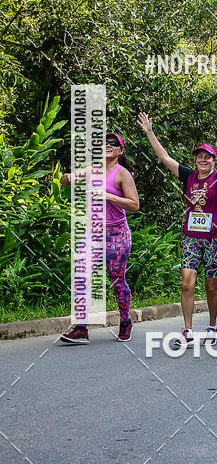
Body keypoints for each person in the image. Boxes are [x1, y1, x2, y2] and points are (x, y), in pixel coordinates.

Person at [137, 112, 217, 346]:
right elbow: (165, 158)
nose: (203, 160)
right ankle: (187, 330)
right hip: (191, 238)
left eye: (208, 157)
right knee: (186, 283)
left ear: (214, 161)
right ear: (196, 159)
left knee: (210, 285)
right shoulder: (188, 176)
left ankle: (213, 325)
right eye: (200, 157)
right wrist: (149, 132)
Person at [59, 132, 139, 344]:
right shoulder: (92, 171)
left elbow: (134, 205)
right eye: (105, 142)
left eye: (113, 143)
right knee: (81, 272)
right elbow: (67, 179)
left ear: (120, 151)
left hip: (117, 234)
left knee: (116, 279)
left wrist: (109, 196)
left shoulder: (122, 175)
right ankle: (81, 328)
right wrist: (67, 178)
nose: (107, 145)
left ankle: (125, 322)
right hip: (94, 232)